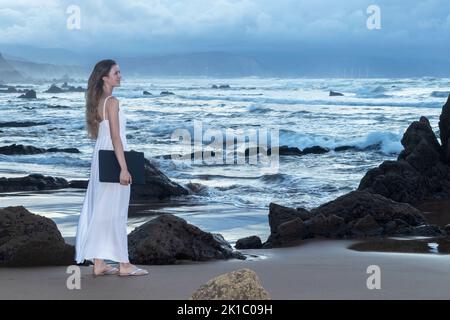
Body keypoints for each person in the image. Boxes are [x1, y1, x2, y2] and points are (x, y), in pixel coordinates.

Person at [75, 59, 148, 276]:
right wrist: (124, 169)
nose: (120, 76)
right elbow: (117, 138)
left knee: (101, 209)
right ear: (105, 77)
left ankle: (99, 263)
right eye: (116, 73)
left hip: (101, 157)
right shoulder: (113, 101)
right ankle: (124, 265)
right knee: (115, 211)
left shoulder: (97, 100)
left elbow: (107, 137)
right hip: (114, 157)